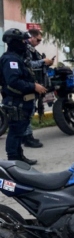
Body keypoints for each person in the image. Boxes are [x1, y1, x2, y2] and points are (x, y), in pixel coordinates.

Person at [1, 28, 46, 164]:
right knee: (15, 133)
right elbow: (13, 81)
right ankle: (13, 162)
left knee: (19, 132)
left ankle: (19, 158)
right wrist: (33, 86)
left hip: (21, 102)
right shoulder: (10, 60)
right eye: (21, 41)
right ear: (13, 42)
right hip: (16, 102)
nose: (24, 43)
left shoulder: (17, 58)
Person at [22, 29, 53, 149]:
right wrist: (43, 61)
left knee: (28, 110)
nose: (39, 42)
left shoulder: (30, 49)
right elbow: (29, 64)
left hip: (31, 83)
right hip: (28, 84)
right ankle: (28, 138)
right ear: (31, 37)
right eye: (38, 40)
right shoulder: (26, 48)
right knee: (28, 111)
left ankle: (26, 136)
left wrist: (46, 63)